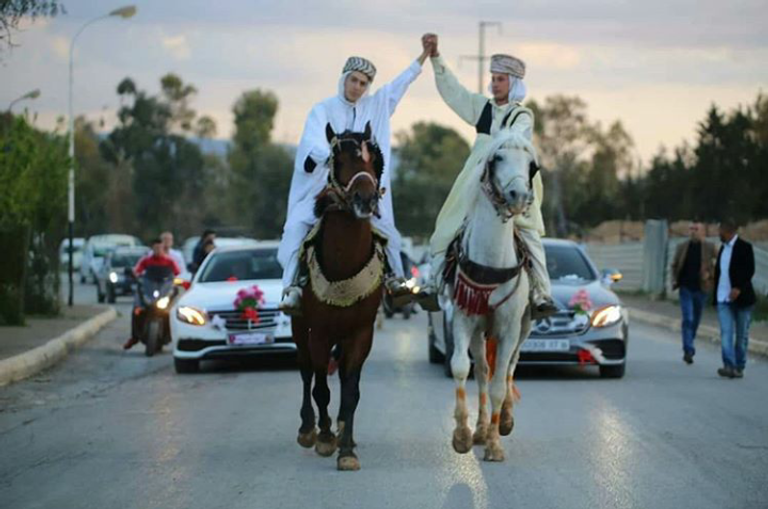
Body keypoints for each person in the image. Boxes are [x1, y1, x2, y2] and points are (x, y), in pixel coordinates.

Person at [277, 40, 434, 314]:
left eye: (363, 83)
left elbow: (401, 84)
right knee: (295, 228)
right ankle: (291, 288)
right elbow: (312, 145)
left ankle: (395, 281)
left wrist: (424, 56)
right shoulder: (322, 110)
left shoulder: (375, 106)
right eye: (354, 80)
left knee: (389, 233)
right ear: (344, 79)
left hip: (364, 191)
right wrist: (333, 152)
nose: (357, 87)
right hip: (325, 187)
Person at [418, 33, 557, 317]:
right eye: (493, 78)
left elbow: (512, 141)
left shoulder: (522, 115)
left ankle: (542, 293)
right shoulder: (482, 108)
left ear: (514, 83)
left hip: (512, 180)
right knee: (447, 224)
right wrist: (436, 58)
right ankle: (434, 284)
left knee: (529, 234)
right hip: (476, 179)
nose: (494, 84)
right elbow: (454, 92)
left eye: (500, 79)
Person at [713, 220, 756, 378]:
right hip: (722, 299)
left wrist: (738, 288)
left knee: (741, 335)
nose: (718, 234)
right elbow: (720, 273)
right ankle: (728, 365)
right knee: (726, 333)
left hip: (742, 300)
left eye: (720, 232)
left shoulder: (745, 248)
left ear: (728, 232)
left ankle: (739, 366)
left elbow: (749, 270)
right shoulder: (723, 250)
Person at [671, 221, 716, 364]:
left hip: (701, 289)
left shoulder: (709, 247)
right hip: (685, 288)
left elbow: (721, 263)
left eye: (696, 229)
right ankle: (688, 349)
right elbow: (675, 264)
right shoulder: (682, 247)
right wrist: (674, 279)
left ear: (703, 231)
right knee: (688, 319)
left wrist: (709, 275)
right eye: (691, 229)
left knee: (696, 319)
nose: (693, 231)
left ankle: (690, 340)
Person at [123, 238, 181, 350]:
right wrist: (133, 276)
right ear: (152, 249)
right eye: (155, 248)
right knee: (136, 311)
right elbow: (137, 272)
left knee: (173, 312)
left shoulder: (170, 261)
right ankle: (134, 337)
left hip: (164, 292)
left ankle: (175, 337)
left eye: (160, 247)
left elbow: (178, 274)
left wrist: (180, 281)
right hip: (149, 291)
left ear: (163, 248)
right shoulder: (146, 261)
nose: (158, 250)